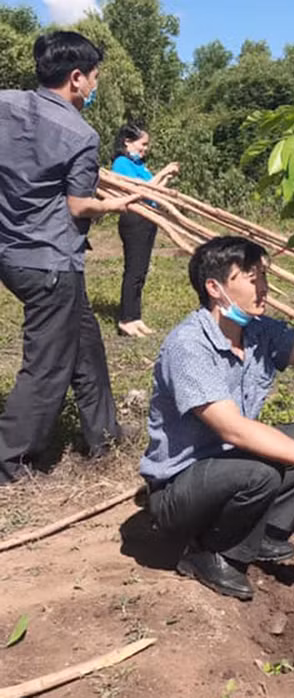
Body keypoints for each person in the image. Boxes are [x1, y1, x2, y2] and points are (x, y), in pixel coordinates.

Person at [140, 236, 294, 601]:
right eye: (251, 278)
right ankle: (210, 555)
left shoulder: (259, 333)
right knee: (262, 472)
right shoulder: (189, 345)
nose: (263, 287)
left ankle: (262, 534)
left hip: (227, 463)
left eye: (263, 276)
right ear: (215, 288)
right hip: (179, 490)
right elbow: (233, 429)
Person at [0, 31, 139, 485]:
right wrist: (114, 205)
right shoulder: (81, 133)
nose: (95, 87)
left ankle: (104, 434)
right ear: (76, 78)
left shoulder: (6, 105)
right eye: (94, 78)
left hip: (14, 253)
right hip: (50, 262)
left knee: (86, 345)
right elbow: (78, 206)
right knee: (48, 365)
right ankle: (11, 460)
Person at [110, 124, 180, 337]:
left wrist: (167, 177)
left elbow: (153, 188)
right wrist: (164, 171)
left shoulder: (140, 164)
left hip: (148, 218)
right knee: (133, 270)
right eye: (143, 144)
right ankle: (126, 319)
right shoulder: (121, 163)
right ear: (128, 142)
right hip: (135, 219)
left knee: (141, 271)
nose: (145, 148)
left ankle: (135, 316)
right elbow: (140, 191)